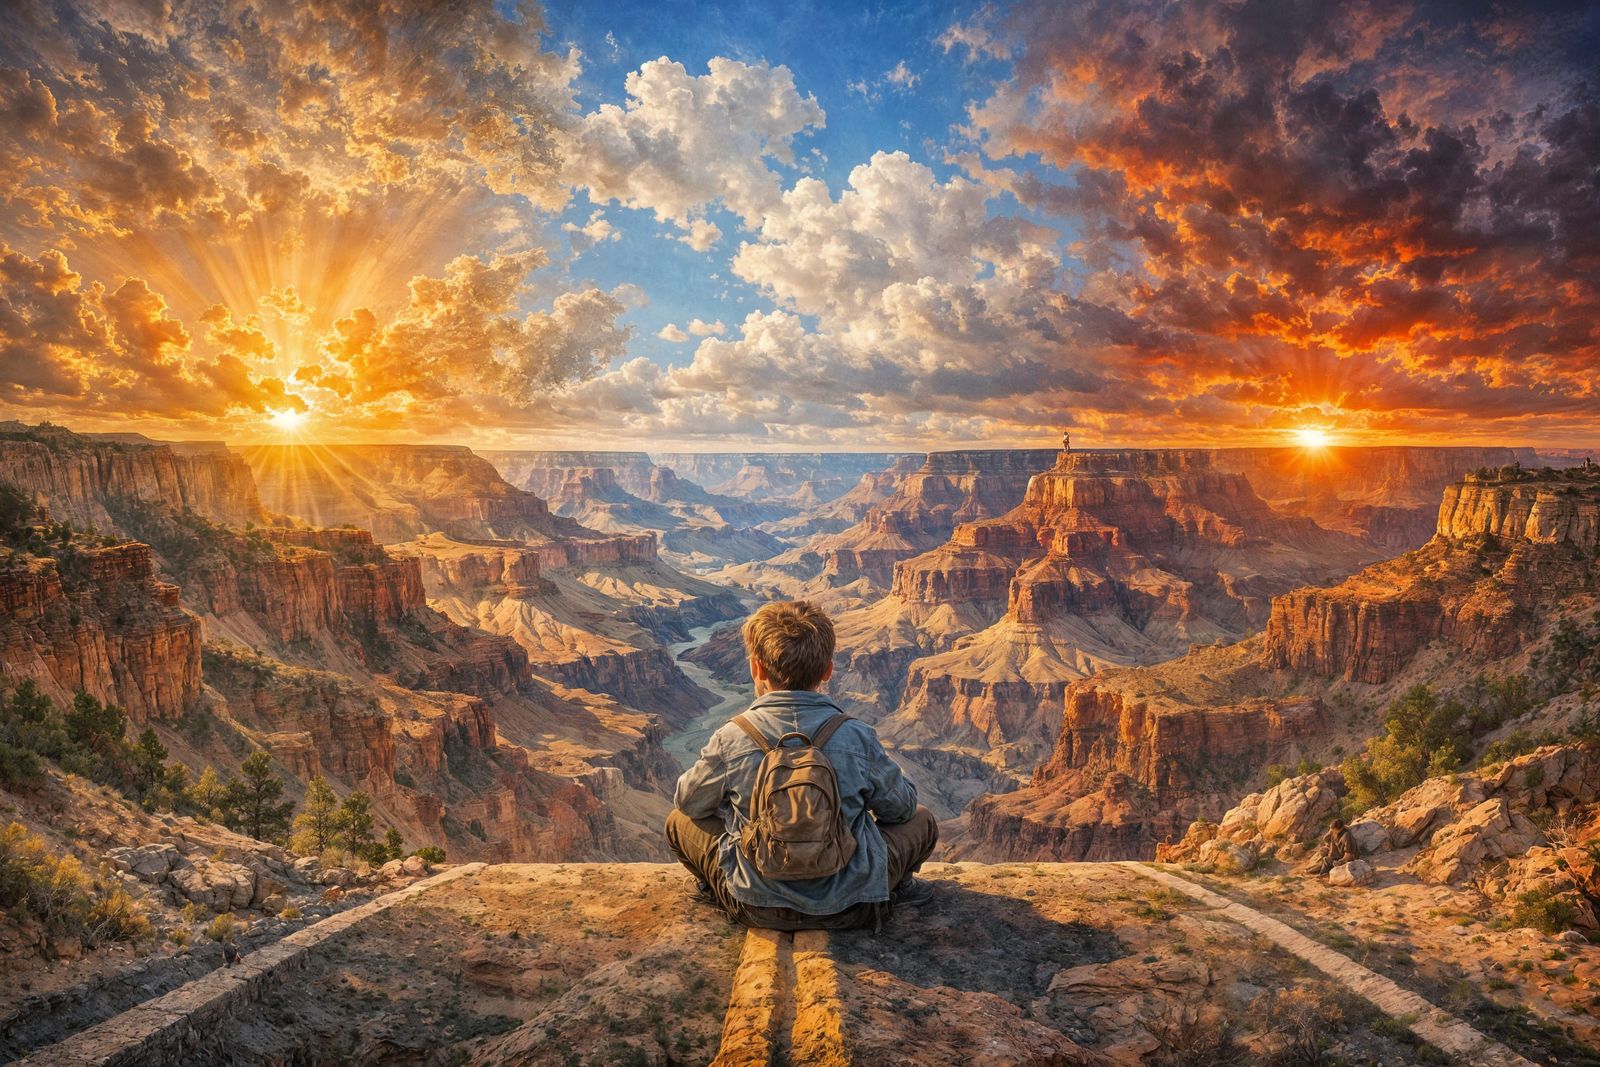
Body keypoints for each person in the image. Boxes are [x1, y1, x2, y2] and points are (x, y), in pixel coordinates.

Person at [666, 600, 939, 930]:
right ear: (828, 671)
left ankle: (713, 891)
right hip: (851, 906)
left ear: (756, 669)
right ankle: (898, 889)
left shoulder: (732, 736)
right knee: (923, 818)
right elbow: (901, 809)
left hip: (755, 906)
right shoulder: (856, 735)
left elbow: (689, 802)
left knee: (678, 821)